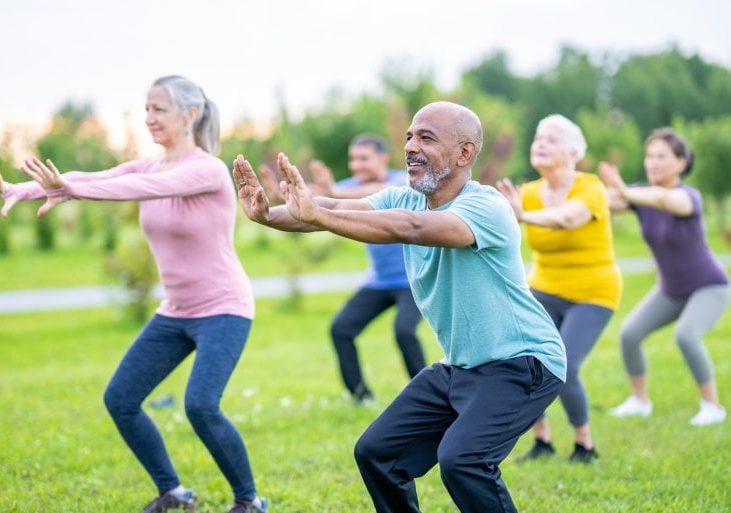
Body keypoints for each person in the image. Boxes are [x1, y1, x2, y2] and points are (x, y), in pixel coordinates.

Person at [232, 101, 566, 513]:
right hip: (461, 366)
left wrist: (317, 212)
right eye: (409, 136)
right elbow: (332, 210)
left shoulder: (486, 207)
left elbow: (410, 228)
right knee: (377, 453)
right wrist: (268, 216)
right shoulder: (403, 197)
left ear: (464, 153)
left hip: (523, 362)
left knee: (463, 462)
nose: (411, 146)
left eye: (426, 137)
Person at [0, 75, 267, 513]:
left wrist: (71, 191)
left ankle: (250, 501)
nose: (149, 118)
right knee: (121, 398)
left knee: (201, 405)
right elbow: (95, 175)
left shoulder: (206, 169)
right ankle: (172, 492)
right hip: (175, 310)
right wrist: (27, 189)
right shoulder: (149, 164)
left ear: (190, 115)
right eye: (146, 109)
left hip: (224, 308)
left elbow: (136, 189)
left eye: (159, 109)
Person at [262, 134, 427, 403]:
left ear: (383, 158)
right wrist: (282, 196)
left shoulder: (403, 181)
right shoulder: (348, 187)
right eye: (353, 159)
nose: (356, 165)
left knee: (404, 331)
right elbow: (321, 199)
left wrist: (334, 193)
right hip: (379, 281)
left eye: (364, 158)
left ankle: (427, 397)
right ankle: (360, 396)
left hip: (412, 279)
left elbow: (358, 195)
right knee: (341, 329)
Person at [496, 115, 621, 463]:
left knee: (564, 366)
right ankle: (542, 441)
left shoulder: (591, 187)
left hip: (593, 292)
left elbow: (567, 218)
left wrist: (522, 214)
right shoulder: (530, 192)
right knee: (526, 361)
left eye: (551, 139)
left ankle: (584, 445)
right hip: (544, 287)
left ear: (573, 151)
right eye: (537, 138)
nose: (541, 144)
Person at [600, 127, 729, 426]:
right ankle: (640, 401)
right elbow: (601, 202)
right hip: (671, 290)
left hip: (708, 286)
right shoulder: (639, 196)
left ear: (681, 162)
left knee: (686, 335)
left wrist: (625, 190)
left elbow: (663, 199)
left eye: (661, 156)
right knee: (629, 334)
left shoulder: (689, 197)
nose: (652, 162)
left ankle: (712, 406)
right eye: (649, 156)